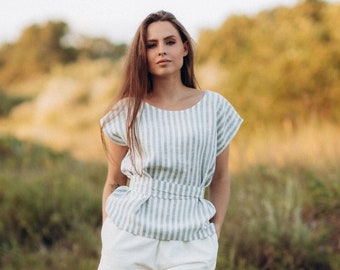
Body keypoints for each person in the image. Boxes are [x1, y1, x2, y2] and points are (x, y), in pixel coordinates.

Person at [98, 10, 243, 270]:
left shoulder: (214, 107)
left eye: (170, 42)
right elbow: (114, 180)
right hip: (128, 238)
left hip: (191, 242)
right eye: (151, 45)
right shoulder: (128, 110)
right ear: (142, 55)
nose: (161, 50)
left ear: (185, 47)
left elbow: (220, 178)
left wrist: (216, 230)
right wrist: (109, 230)